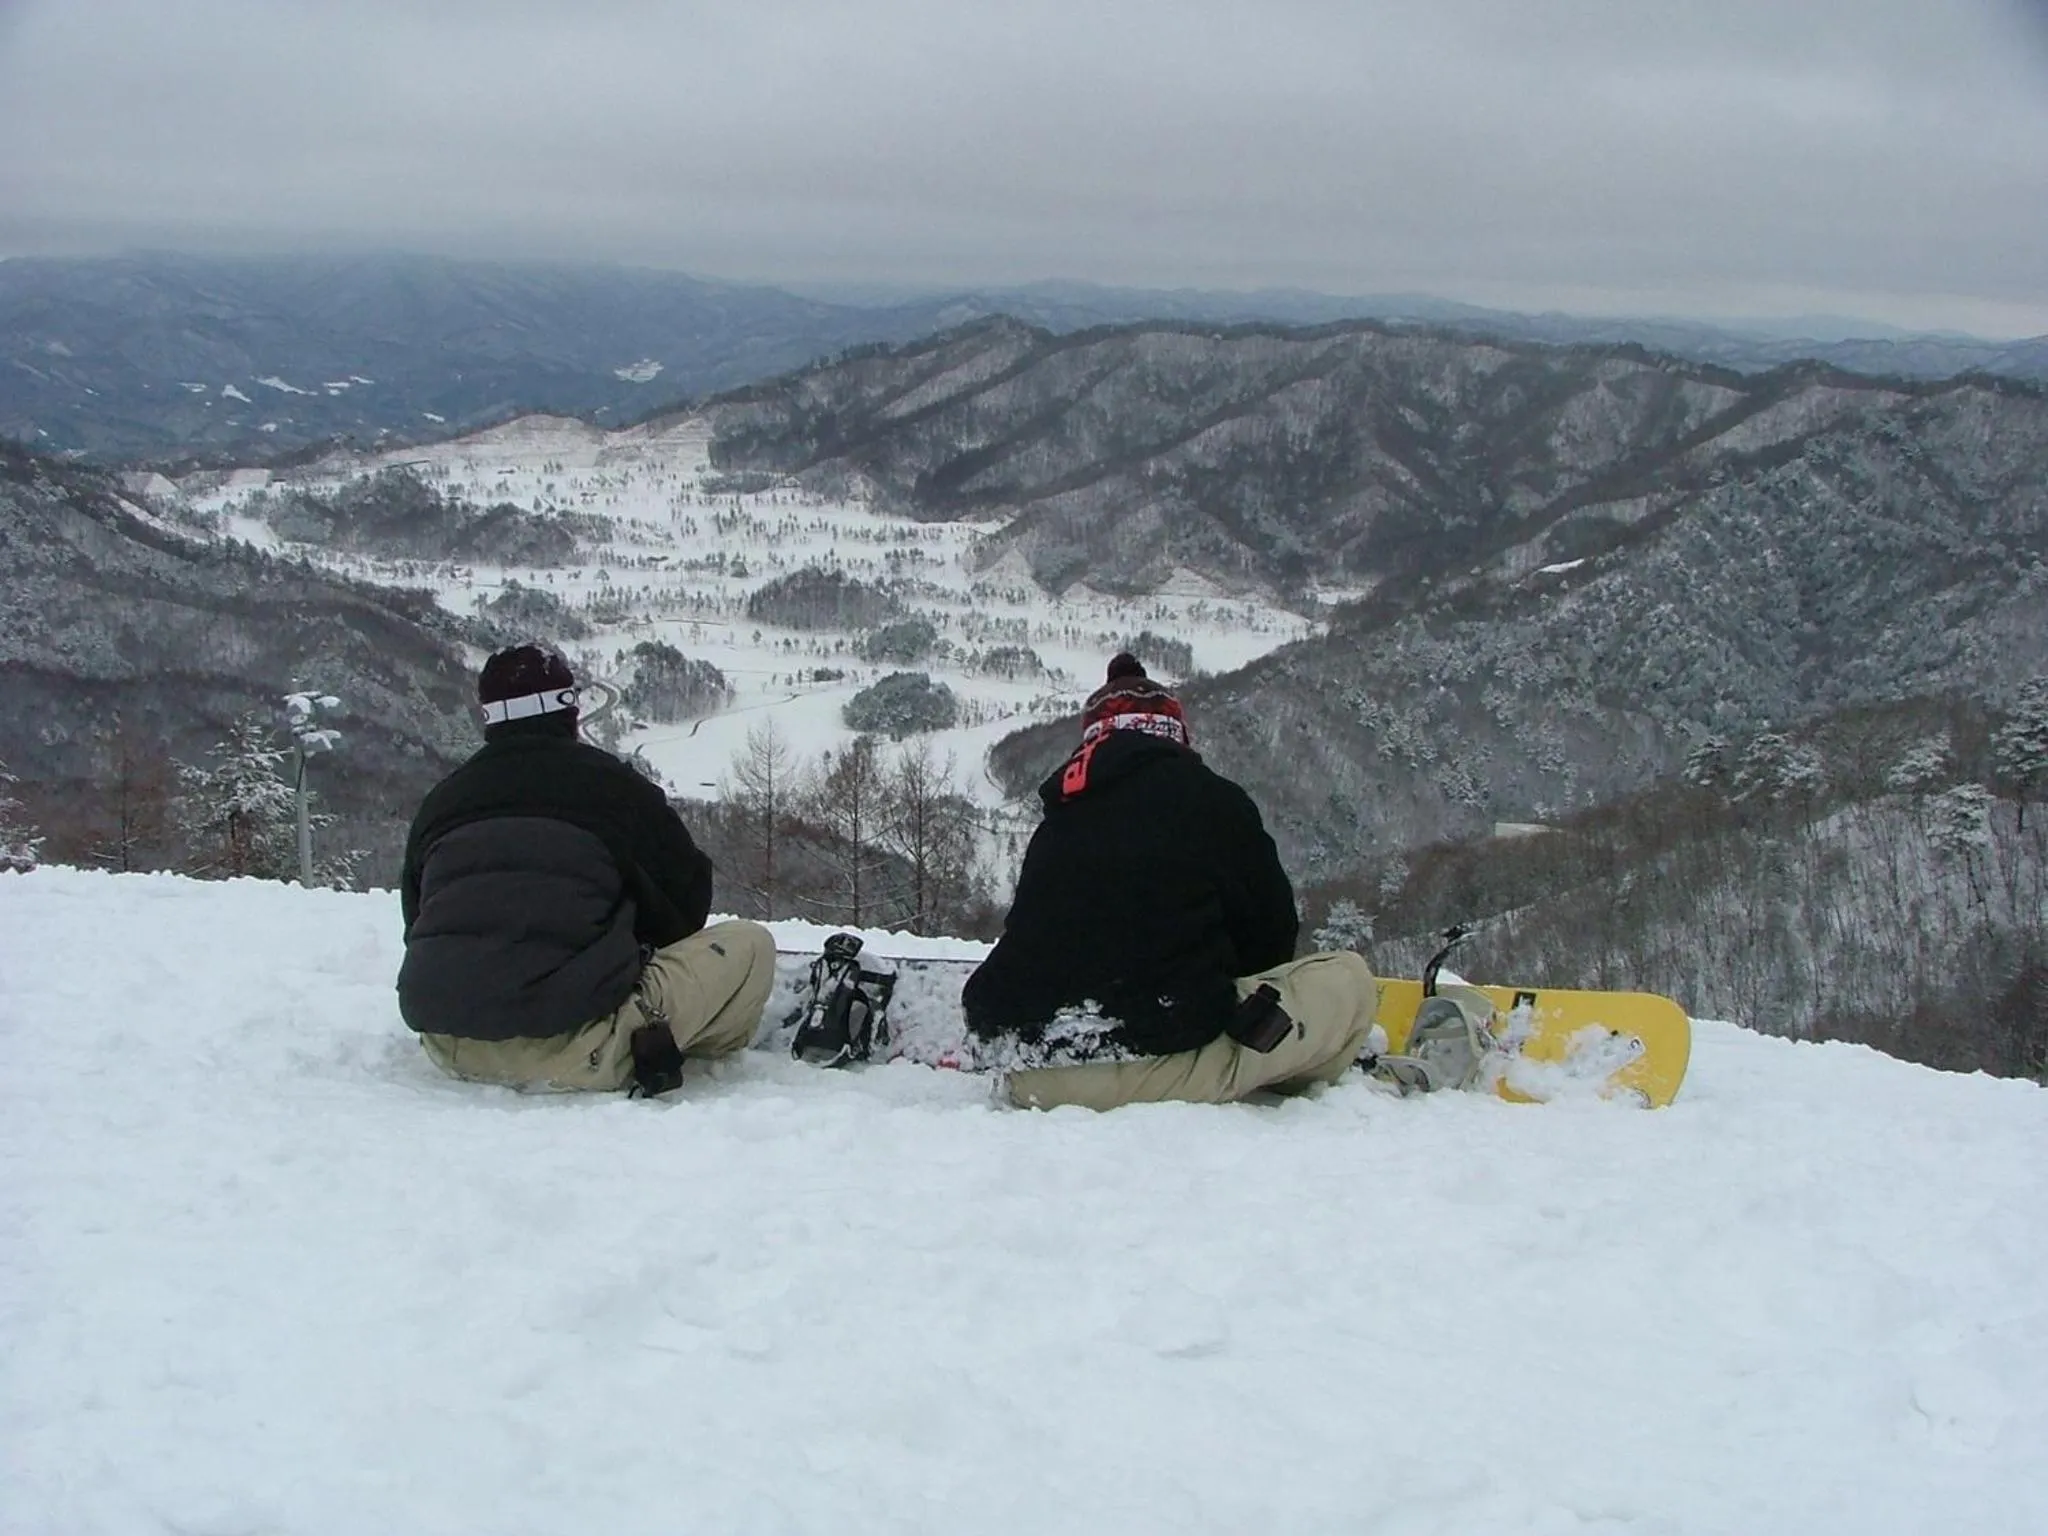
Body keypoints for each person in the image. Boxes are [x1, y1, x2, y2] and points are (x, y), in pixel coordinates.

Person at [962, 652, 1378, 1110]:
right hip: (1153, 1060)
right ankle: (1299, 1088)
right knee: (1349, 978)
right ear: (1173, 731)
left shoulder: (1059, 818)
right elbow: (1270, 940)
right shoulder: (1215, 802)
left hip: (1028, 1070)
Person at [397, 644, 775, 1094]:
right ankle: (711, 1053)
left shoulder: (443, 802)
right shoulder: (614, 789)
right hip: (576, 1045)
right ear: (570, 711)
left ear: (490, 718)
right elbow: (686, 909)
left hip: (448, 1044)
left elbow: (417, 921)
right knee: (751, 944)